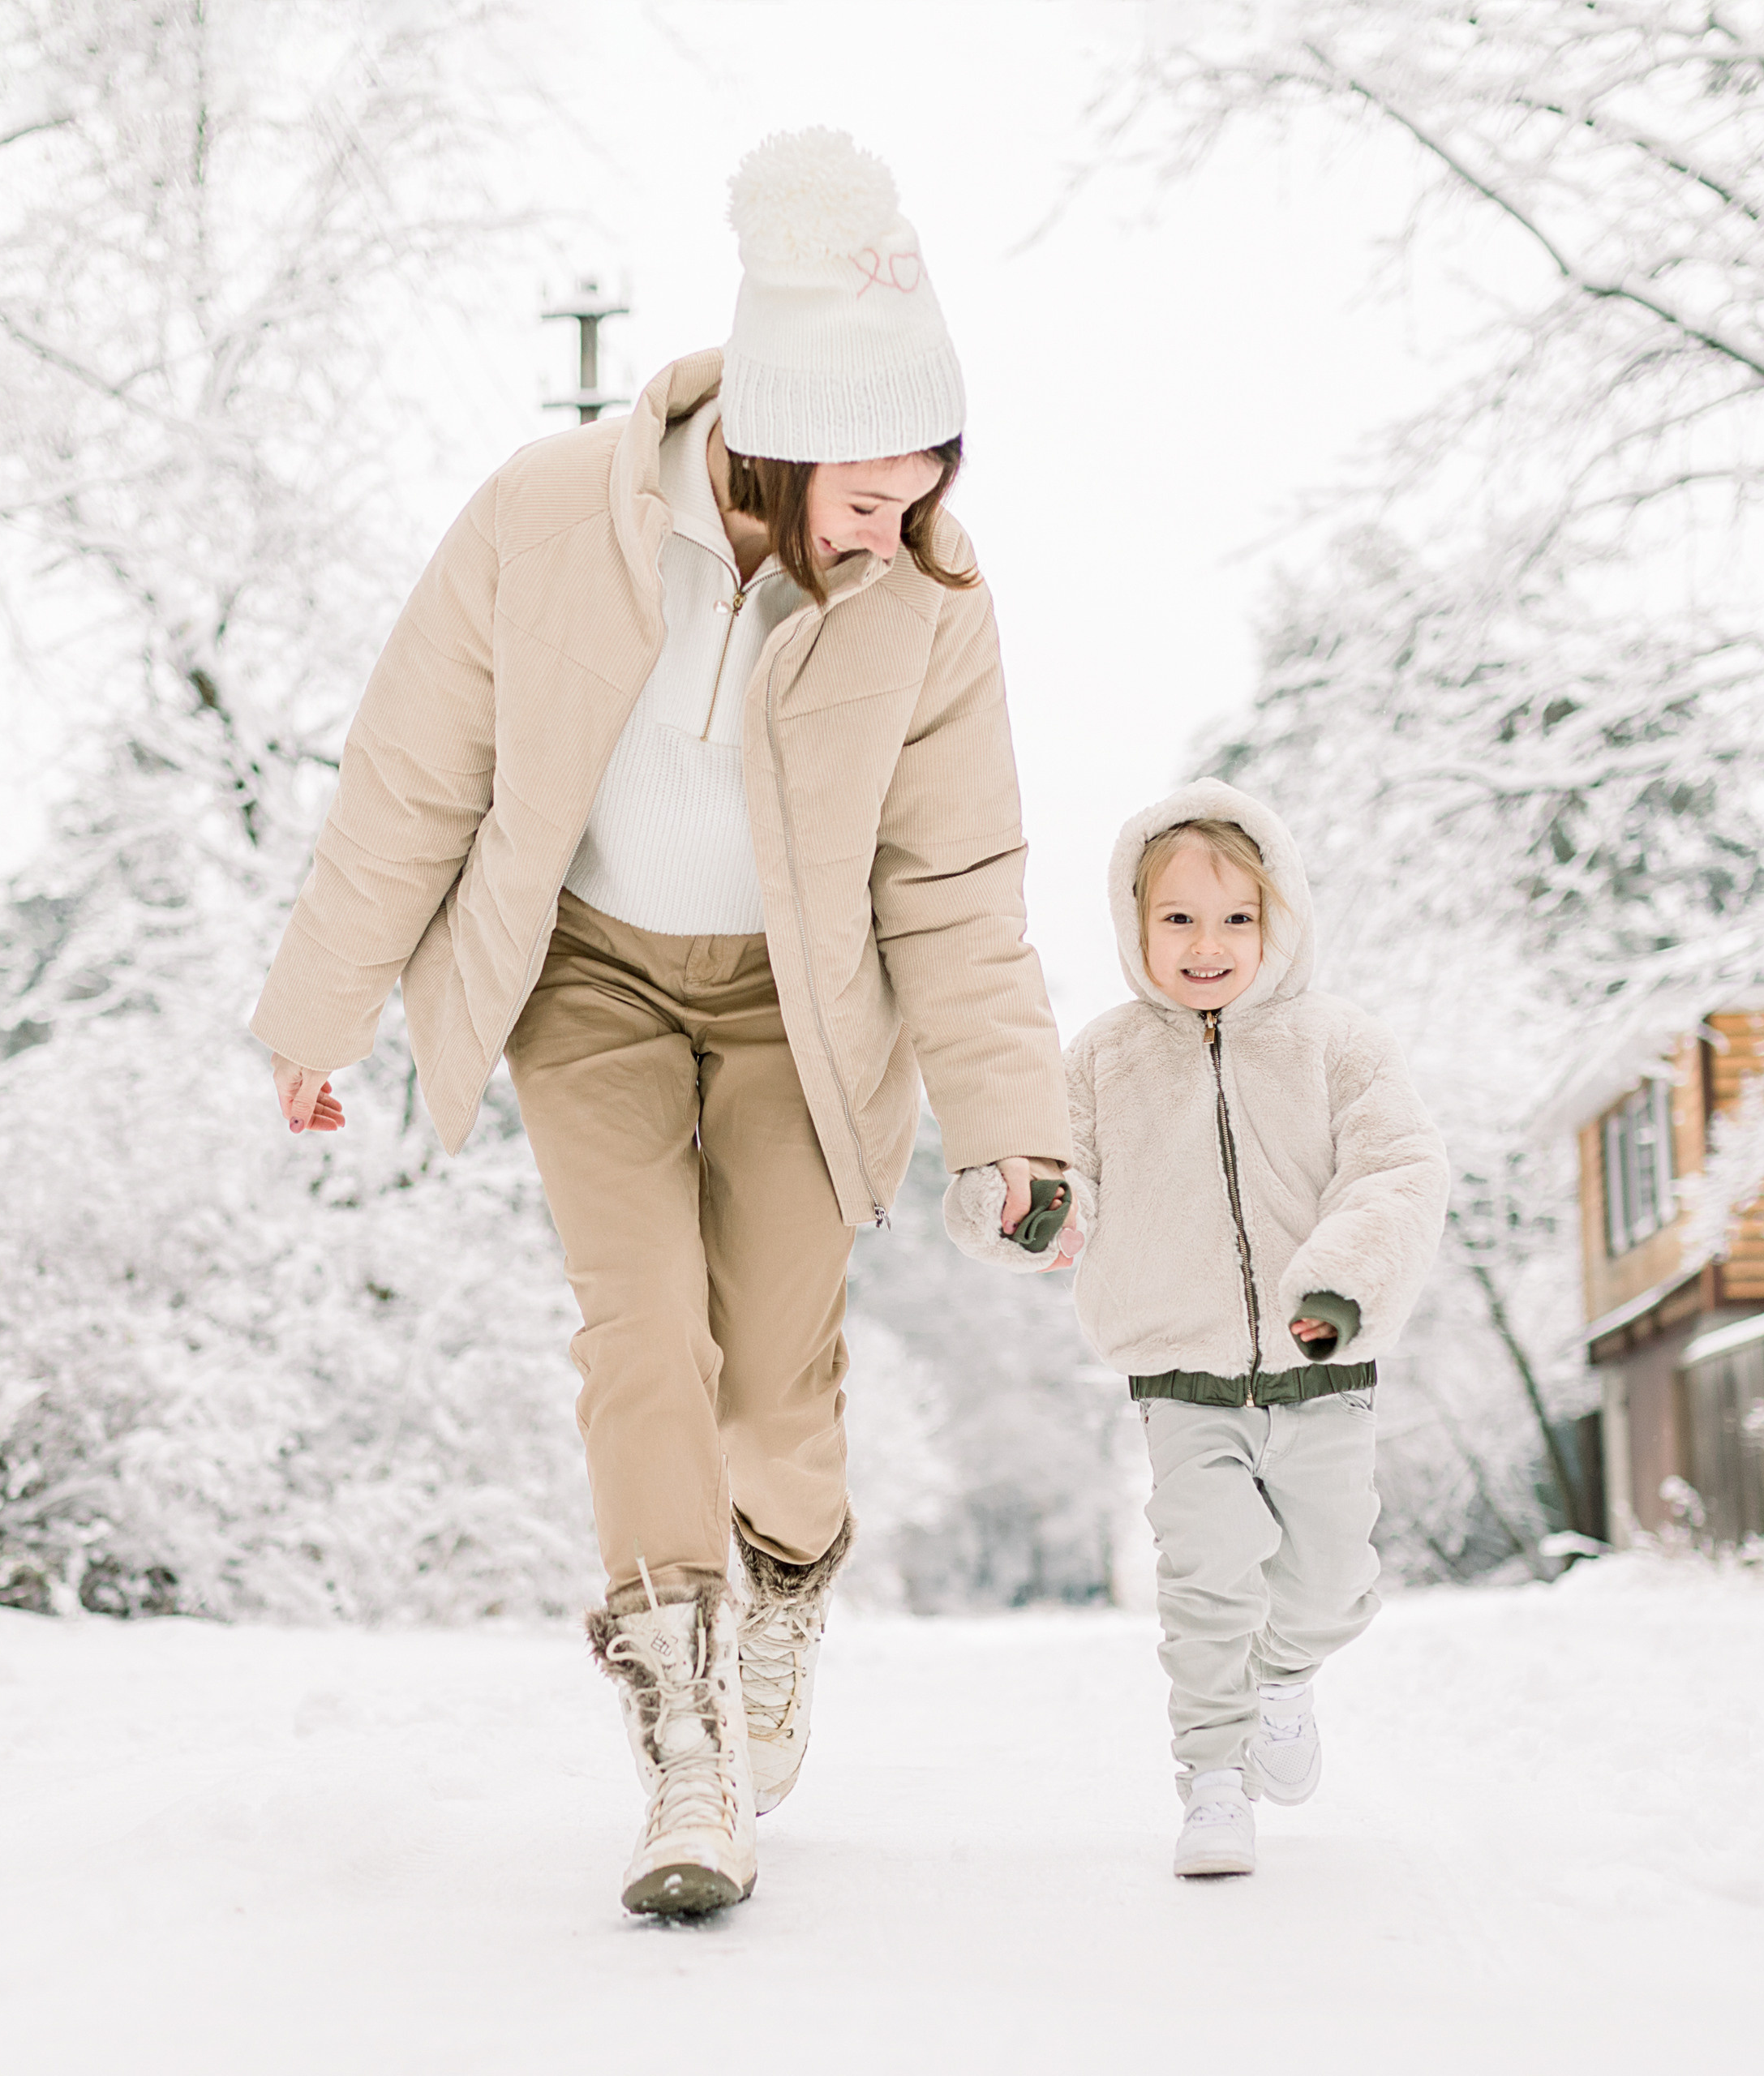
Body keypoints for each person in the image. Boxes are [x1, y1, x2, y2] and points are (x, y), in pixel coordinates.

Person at [251, 129, 1075, 1919]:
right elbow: (414, 774)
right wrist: (320, 1015)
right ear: (771, 444)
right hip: (589, 983)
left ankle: (778, 1595)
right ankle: (684, 1737)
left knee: (773, 1379)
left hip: (799, 1011)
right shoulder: (548, 516)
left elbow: (951, 882)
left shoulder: (927, 596)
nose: (906, 523)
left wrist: (1015, 1123)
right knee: (641, 1336)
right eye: (873, 490)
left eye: (929, 486)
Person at [955, 778, 1446, 1877]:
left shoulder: (1339, 1046)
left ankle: (1281, 1678)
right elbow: (1058, 1175)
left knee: (1329, 1581)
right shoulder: (1103, 1061)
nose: (1207, 943)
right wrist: (1026, 1210)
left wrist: (1339, 1286)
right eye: (1176, 918)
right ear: (1137, 927)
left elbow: (1400, 1173)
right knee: (1208, 1574)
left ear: (1281, 919)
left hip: (1324, 1363)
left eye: (1236, 918)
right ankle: (1213, 1781)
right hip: (1181, 1378)